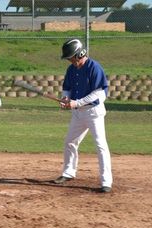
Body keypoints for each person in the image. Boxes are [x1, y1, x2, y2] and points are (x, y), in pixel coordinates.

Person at [53, 38, 113, 193]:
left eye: (71, 57)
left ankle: (106, 181)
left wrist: (77, 103)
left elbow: (99, 93)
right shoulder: (71, 69)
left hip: (94, 113)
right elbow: (67, 88)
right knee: (70, 142)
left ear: (80, 53)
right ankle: (68, 173)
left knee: (100, 145)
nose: (69, 60)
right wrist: (66, 98)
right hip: (78, 114)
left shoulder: (94, 67)